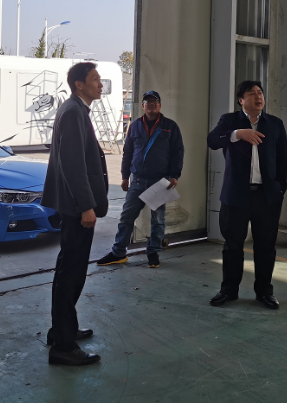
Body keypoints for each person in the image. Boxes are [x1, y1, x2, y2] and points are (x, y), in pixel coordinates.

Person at [42, 62, 109, 367]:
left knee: (70, 270)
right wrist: (85, 205)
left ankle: (62, 330)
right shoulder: (72, 112)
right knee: (71, 273)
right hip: (76, 207)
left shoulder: (76, 109)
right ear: (79, 84)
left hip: (73, 205)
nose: (100, 84)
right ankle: (63, 346)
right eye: (95, 79)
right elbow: (72, 164)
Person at [207, 80, 287, 310]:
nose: (258, 96)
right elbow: (212, 141)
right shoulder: (229, 121)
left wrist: (280, 188)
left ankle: (264, 292)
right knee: (233, 245)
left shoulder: (275, 124)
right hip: (236, 195)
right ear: (241, 100)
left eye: (260, 92)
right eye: (252, 93)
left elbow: (283, 159)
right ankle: (229, 290)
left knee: (266, 247)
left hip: (266, 197)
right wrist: (237, 134)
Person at [97, 90, 184, 268]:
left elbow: (178, 152)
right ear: (143, 106)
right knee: (126, 217)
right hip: (137, 180)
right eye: (148, 102)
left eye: (154, 102)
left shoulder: (170, 126)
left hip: (160, 181)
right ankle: (118, 252)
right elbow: (128, 152)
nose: (151, 104)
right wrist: (124, 176)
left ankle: (153, 252)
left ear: (160, 105)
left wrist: (174, 175)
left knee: (158, 220)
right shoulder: (135, 126)